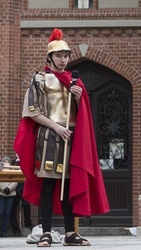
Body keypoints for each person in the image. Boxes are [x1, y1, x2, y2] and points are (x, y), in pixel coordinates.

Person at [13, 29, 109, 247]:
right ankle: (46, 233)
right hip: (49, 137)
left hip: (72, 137)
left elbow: (80, 113)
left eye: (66, 55)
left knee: (69, 186)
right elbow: (32, 112)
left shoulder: (75, 82)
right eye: (59, 56)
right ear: (50, 57)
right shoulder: (39, 79)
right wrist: (56, 127)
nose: (63, 60)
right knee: (48, 185)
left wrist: (77, 99)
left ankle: (70, 233)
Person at [0, 157, 17, 238]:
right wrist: (3, 188)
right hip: (1, 193)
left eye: (8, 162)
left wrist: (9, 188)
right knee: (1, 212)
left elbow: (15, 181)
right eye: (4, 162)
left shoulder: (13, 171)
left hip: (11, 194)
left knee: (7, 213)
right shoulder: (1, 171)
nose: (6, 163)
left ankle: (4, 231)